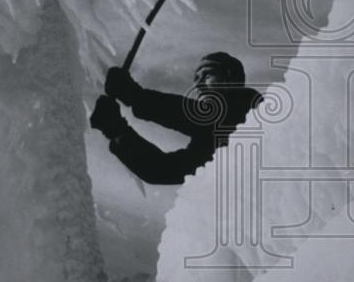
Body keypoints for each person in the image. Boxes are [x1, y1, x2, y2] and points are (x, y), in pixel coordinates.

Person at [90, 52, 262, 184]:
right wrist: (118, 132)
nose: (198, 84)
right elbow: (164, 169)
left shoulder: (249, 107)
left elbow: (194, 116)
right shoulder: (211, 142)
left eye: (208, 75)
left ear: (230, 79)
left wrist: (135, 96)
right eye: (196, 78)